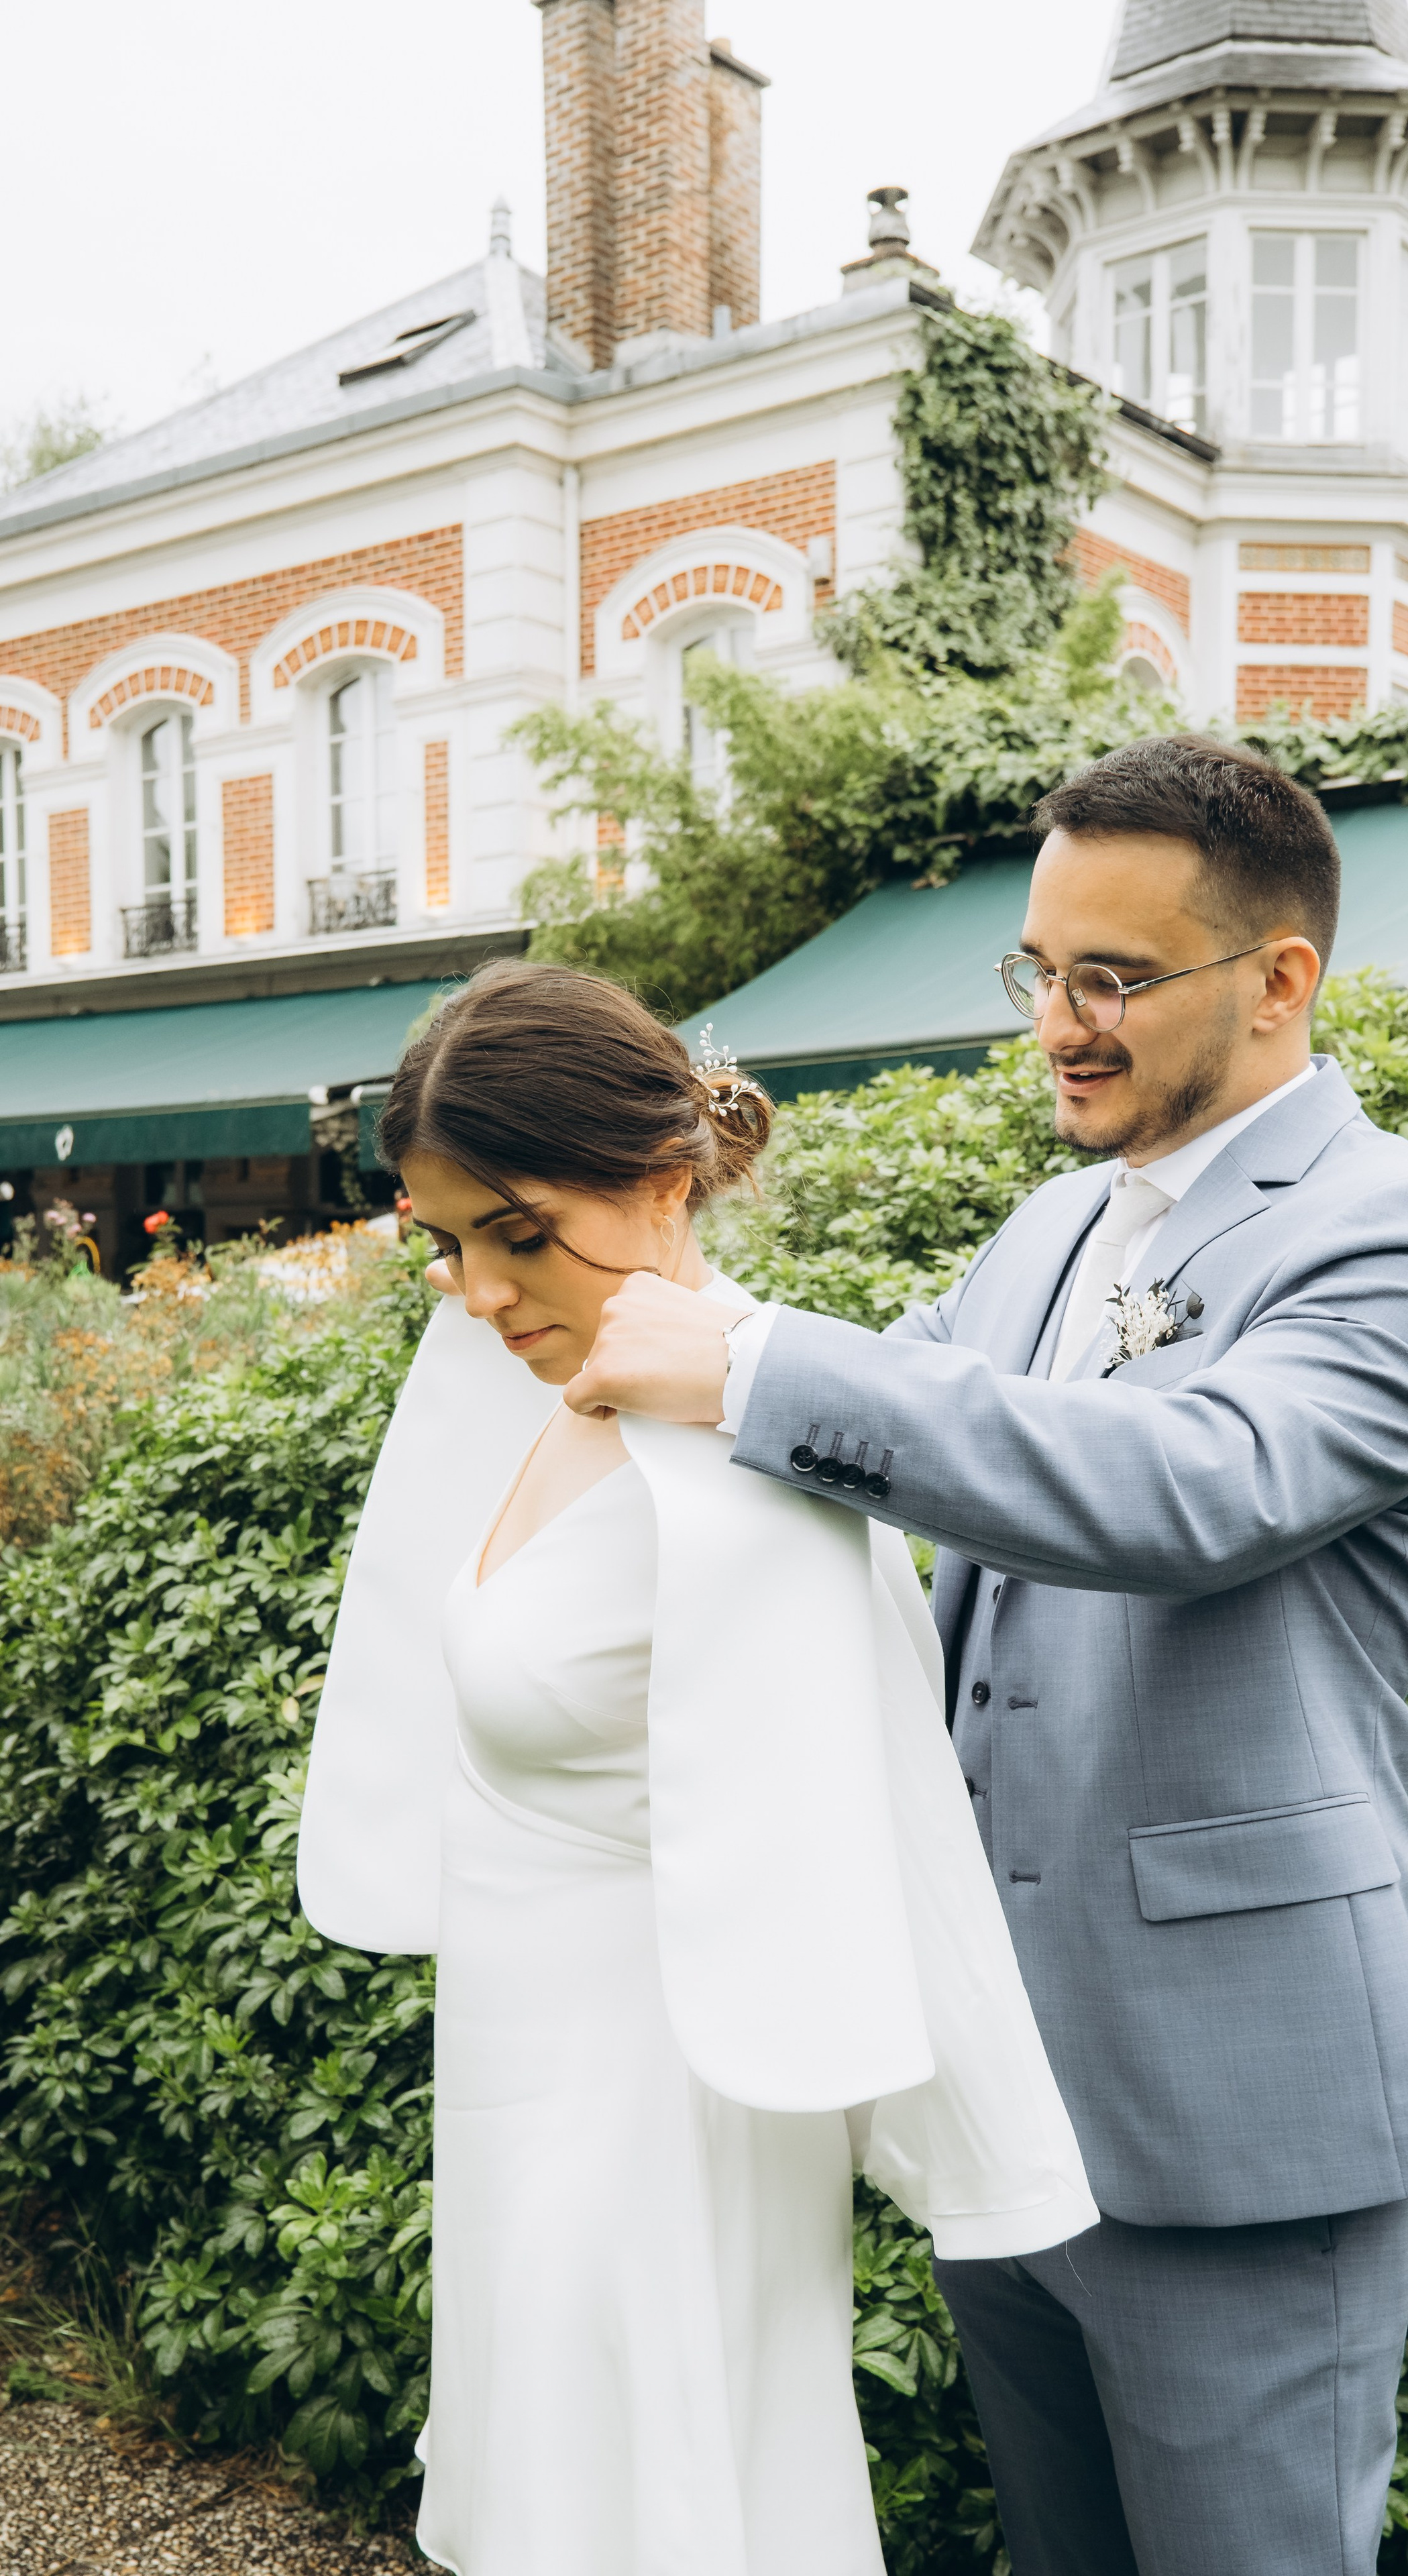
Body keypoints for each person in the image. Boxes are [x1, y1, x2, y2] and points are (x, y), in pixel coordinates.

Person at [562, 734, 1408, 2576]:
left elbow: (1196, 1484)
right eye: (1041, 970)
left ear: (1281, 979)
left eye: (1114, 978)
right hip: (1003, 2086)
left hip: (1241, 2121)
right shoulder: (1056, 1225)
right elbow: (863, 1429)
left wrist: (749, 1367)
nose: (1058, 1023)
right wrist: (630, 1266)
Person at [294, 963, 1098, 2576]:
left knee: (658, 2506)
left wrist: (982, 2158)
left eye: (517, 1235)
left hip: (663, 2110)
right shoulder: (511, 1379)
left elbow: (880, 1795)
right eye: (443, 1244)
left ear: (662, 1181)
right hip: (519, 2077)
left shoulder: (752, 1462)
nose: (476, 1291)